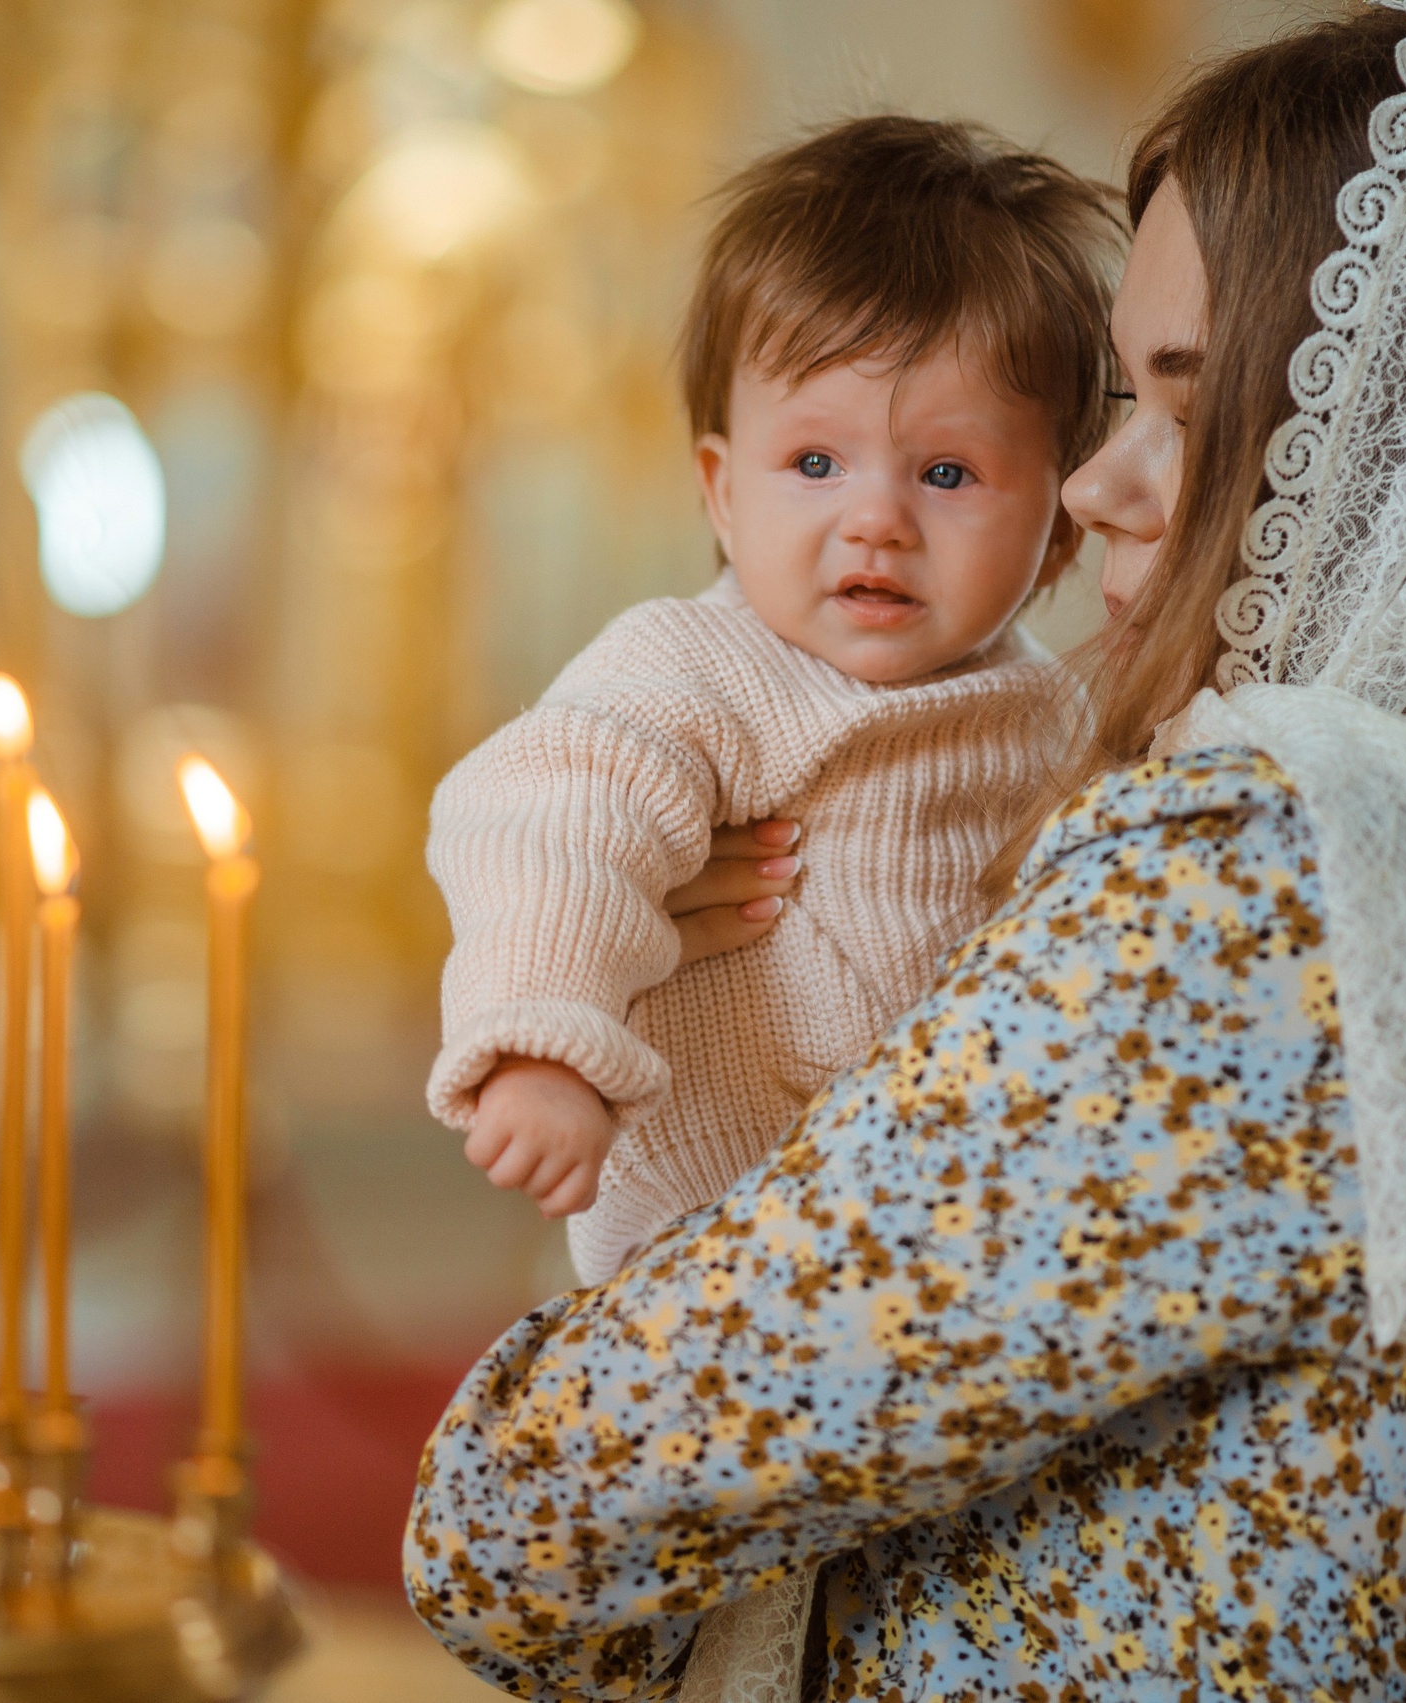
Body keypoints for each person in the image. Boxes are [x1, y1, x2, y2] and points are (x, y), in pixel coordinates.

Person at [404, 5, 1406, 1700]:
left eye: (1189, 411)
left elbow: (516, 1515)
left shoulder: (1278, 868)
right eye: (1122, 399)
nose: (1101, 487)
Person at [426, 117, 1116, 1286]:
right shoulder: (696, 668)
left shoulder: (1063, 723)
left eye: (947, 474)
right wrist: (548, 1043)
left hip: (952, 1254)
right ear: (721, 493)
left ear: (1056, 533)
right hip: (707, 1245)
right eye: (814, 464)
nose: (877, 519)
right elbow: (548, 816)